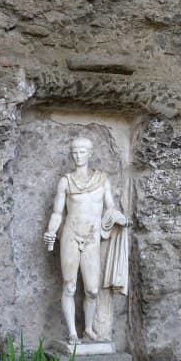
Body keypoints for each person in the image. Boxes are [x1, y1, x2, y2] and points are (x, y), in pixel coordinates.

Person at [44, 137, 127, 343]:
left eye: (82, 152)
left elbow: (110, 207)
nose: (78, 156)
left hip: (92, 236)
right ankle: (73, 332)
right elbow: (57, 212)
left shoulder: (102, 180)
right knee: (70, 285)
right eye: (74, 152)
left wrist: (119, 218)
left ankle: (88, 329)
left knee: (92, 289)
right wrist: (51, 231)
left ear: (90, 153)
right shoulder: (66, 181)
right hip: (70, 235)